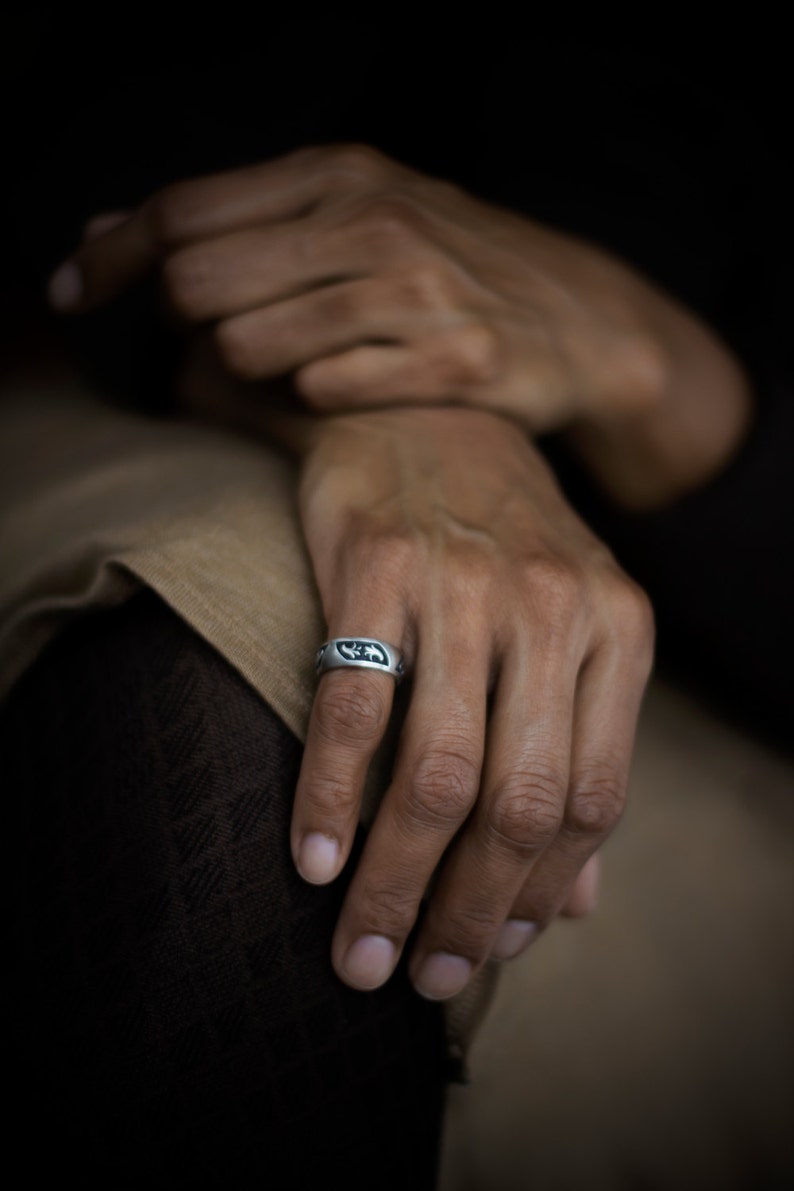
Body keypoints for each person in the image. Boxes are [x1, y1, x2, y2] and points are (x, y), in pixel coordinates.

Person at [1, 22, 791, 1189]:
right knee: (255, 724)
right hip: (136, 399)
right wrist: (404, 374)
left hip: (731, 661)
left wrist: (640, 360)